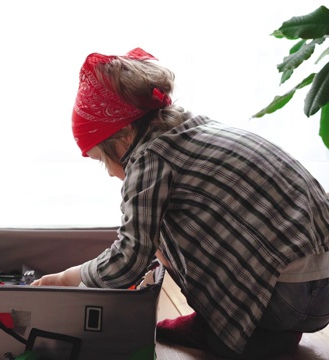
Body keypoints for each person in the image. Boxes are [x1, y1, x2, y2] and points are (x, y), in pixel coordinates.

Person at [31, 48, 329, 358]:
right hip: (320, 288)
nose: (108, 172)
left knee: (157, 232)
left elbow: (130, 259)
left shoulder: (150, 158)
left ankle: (244, 332)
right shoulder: (191, 128)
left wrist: (71, 277)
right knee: (181, 216)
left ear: (123, 136)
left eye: (101, 159)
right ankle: (242, 322)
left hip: (288, 299)